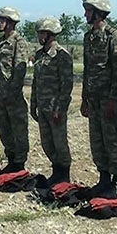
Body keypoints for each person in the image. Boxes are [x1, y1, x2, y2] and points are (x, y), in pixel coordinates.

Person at [80, 0, 117, 198]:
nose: (85, 15)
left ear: (98, 13)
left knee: (112, 141)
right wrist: (84, 98)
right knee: (97, 141)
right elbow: (87, 69)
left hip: (108, 100)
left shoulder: (113, 36)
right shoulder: (88, 37)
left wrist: (113, 99)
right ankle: (103, 178)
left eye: (88, 11)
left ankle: (116, 182)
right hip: (93, 100)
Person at [31, 17, 74, 185]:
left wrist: (60, 108)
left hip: (55, 107)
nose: (39, 36)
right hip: (43, 106)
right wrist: (33, 104)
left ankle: (64, 174)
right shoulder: (39, 55)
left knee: (60, 143)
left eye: (42, 33)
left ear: (51, 34)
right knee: (47, 143)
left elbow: (67, 84)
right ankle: (56, 170)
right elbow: (36, 81)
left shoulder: (61, 55)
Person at [0, 7, 29, 173]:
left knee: (18, 130)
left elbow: (19, 71)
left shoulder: (18, 42)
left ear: (11, 22)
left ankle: (19, 163)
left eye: (2, 20)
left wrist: (12, 94)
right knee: (4, 130)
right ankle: (11, 159)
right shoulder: (0, 42)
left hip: (13, 97)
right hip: (0, 96)